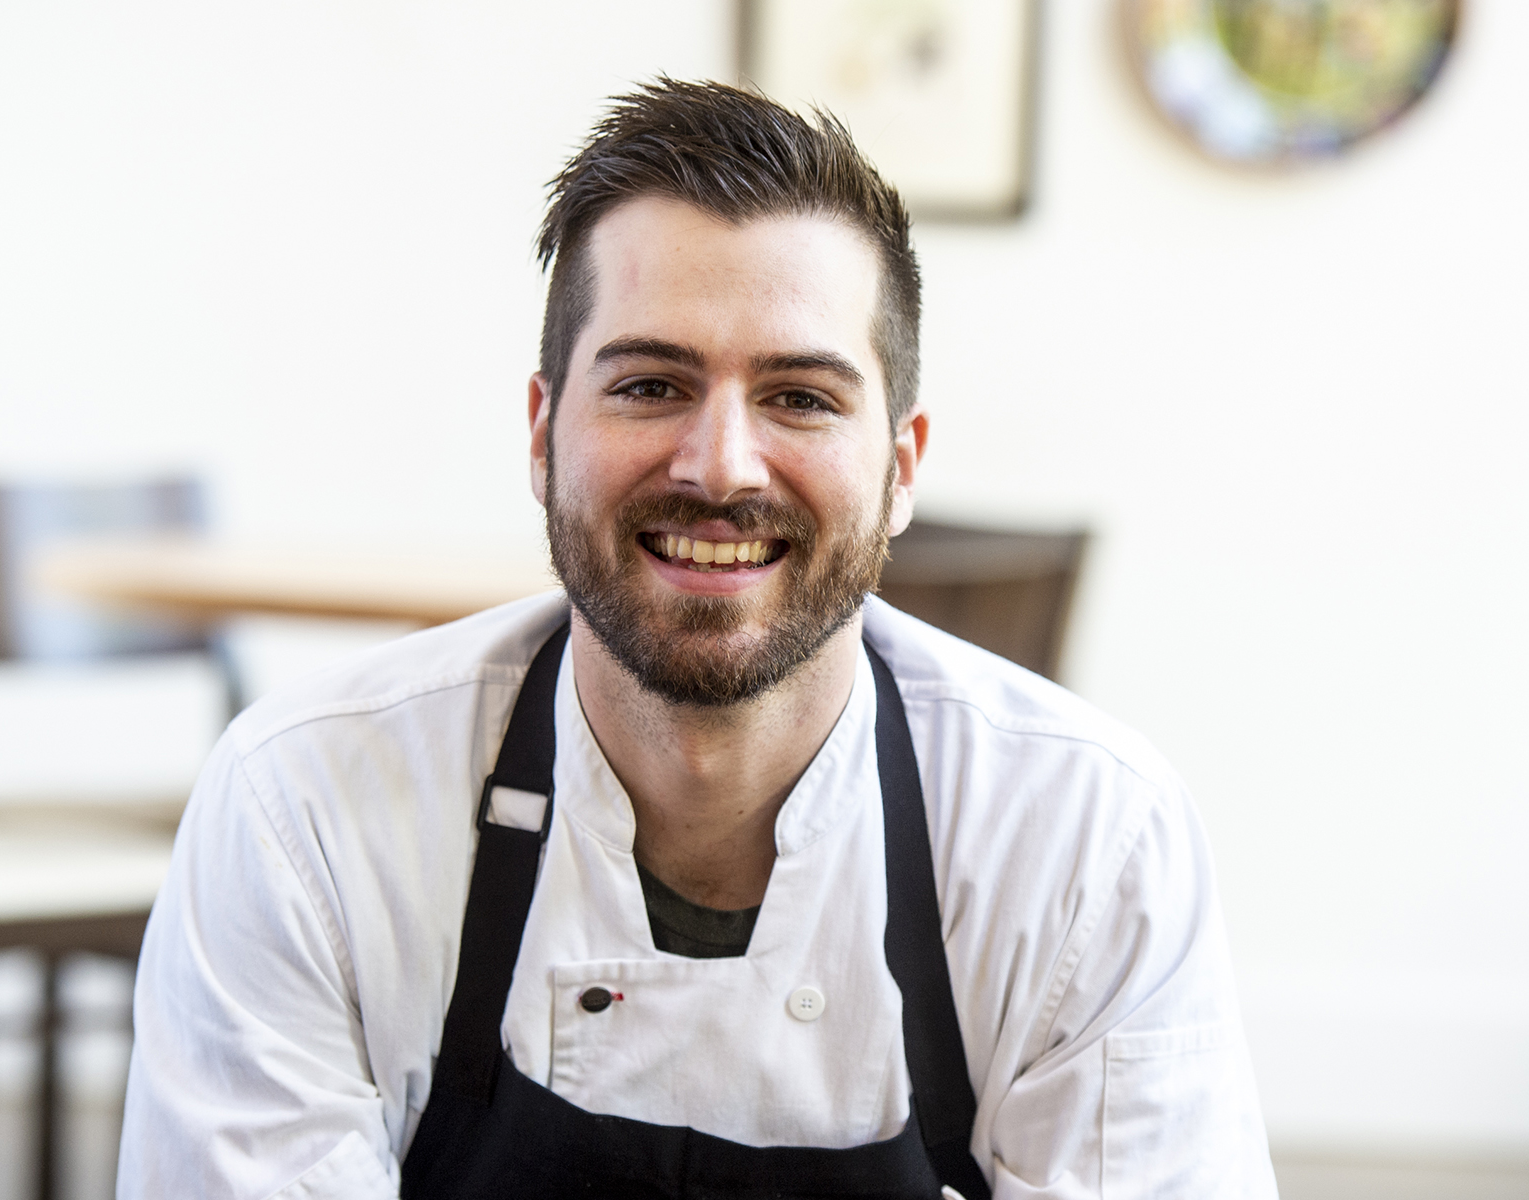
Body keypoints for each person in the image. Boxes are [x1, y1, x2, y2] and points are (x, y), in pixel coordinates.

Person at [119, 80, 1277, 1199]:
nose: (720, 467)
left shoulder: (1086, 844)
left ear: (901, 467)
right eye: (650, 385)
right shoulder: (305, 813)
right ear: (543, 436)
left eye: (801, 397)